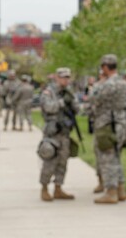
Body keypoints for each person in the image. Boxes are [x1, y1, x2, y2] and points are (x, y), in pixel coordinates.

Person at [93, 54, 126, 204]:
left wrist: (98, 83)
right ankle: (121, 190)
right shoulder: (123, 83)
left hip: (107, 125)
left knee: (108, 159)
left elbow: (93, 98)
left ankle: (111, 191)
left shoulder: (107, 84)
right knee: (115, 157)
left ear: (104, 68)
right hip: (120, 123)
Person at [39, 67, 79, 201]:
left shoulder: (69, 93)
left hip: (65, 132)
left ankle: (58, 188)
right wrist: (62, 103)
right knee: (50, 161)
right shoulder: (48, 92)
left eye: (67, 77)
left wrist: (72, 102)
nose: (65, 80)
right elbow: (48, 107)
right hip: (52, 132)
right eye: (62, 77)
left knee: (63, 162)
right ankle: (44, 188)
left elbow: (77, 109)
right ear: (56, 77)